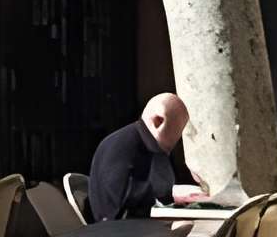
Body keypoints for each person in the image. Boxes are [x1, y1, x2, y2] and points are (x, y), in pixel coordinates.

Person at [86, 92, 206, 222]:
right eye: (177, 131)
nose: (176, 141)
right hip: (116, 230)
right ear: (158, 121)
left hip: (114, 225)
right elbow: (131, 204)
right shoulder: (135, 146)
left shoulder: (133, 140)